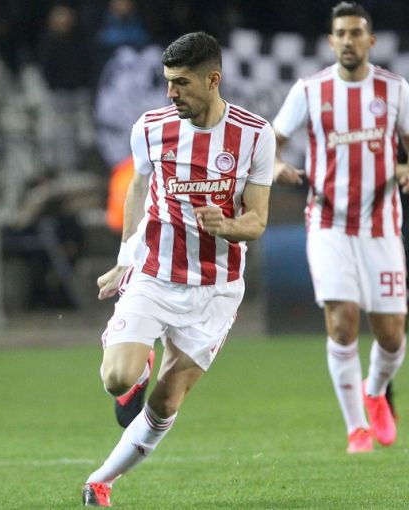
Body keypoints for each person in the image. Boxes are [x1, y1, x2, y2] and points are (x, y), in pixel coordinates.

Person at [82, 31, 274, 507]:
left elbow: (257, 221)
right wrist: (124, 260)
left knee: (167, 402)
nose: (171, 92)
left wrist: (228, 225)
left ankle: (101, 481)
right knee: (116, 379)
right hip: (155, 275)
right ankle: (139, 365)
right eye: (168, 82)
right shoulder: (150, 128)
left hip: (216, 289)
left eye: (182, 83)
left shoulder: (255, 135)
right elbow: (138, 189)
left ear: (213, 80)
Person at [273, 1, 409, 454]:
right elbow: (271, 142)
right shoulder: (310, 91)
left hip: (381, 226)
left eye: (356, 33)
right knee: (342, 321)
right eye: (341, 34)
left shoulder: (395, 90)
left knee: (392, 335)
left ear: (371, 40)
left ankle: (375, 390)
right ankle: (357, 429)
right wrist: (276, 165)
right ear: (331, 42)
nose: (349, 41)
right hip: (328, 222)